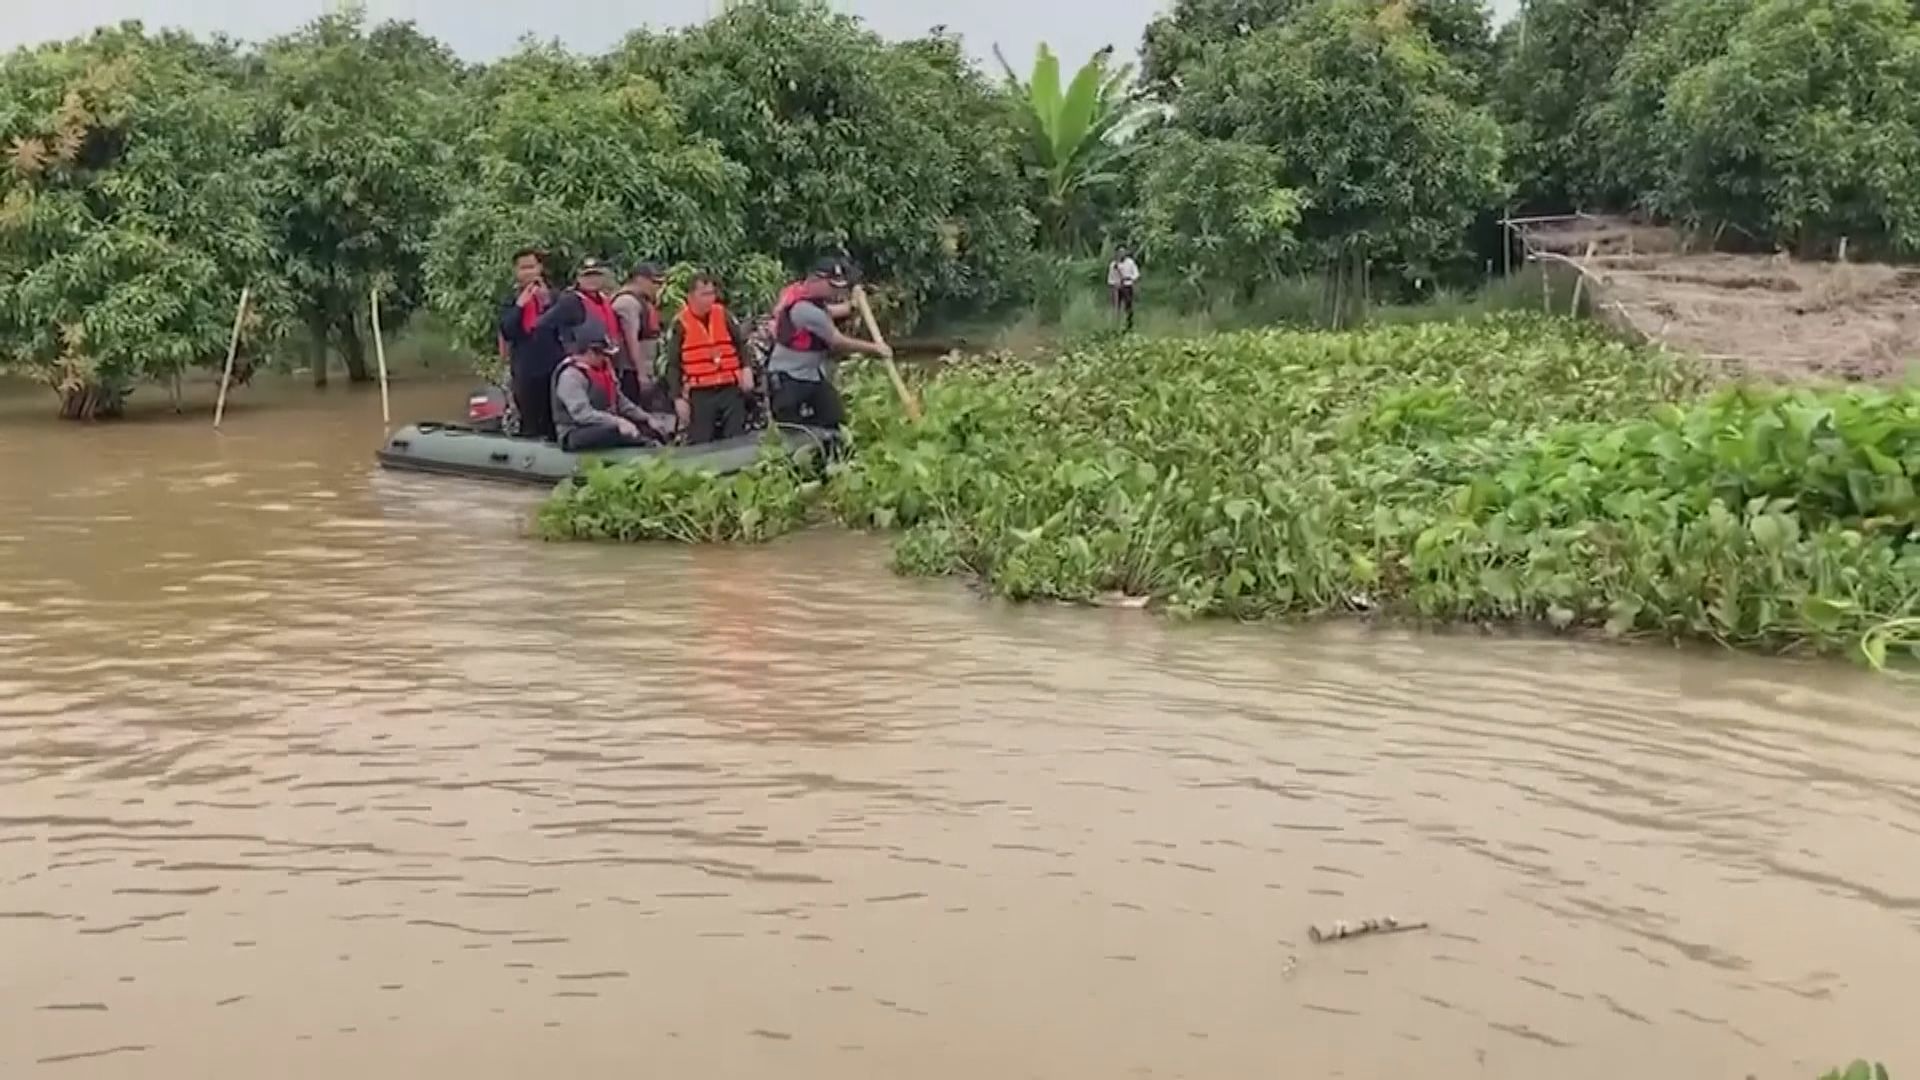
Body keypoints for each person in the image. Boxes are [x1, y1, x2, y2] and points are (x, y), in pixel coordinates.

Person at [767, 257, 891, 430]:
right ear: (815, 280)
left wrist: (853, 305)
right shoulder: (805, 310)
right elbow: (837, 342)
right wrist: (875, 349)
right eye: (832, 286)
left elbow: (830, 312)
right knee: (792, 431)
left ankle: (832, 453)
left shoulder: (801, 294)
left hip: (811, 375)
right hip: (788, 377)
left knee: (834, 420)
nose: (836, 292)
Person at [550, 324, 676, 452]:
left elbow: (621, 402)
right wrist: (617, 422)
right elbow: (582, 415)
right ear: (590, 352)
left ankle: (659, 443)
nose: (606, 358)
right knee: (612, 431)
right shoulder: (571, 376)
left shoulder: (603, 370)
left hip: (604, 422)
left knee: (645, 427)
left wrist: (646, 418)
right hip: (576, 431)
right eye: (603, 354)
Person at [662, 274, 753, 445]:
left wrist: (746, 369)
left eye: (712, 294)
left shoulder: (723, 314)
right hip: (701, 391)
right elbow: (673, 365)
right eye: (704, 294)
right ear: (691, 297)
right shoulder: (680, 323)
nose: (709, 299)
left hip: (729, 387)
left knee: (736, 436)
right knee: (701, 439)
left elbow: (740, 345)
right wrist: (678, 398)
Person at [496, 247, 562, 441]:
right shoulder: (510, 300)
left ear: (540, 268)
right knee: (530, 421)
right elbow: (507, 331)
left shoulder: (556, 297)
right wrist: (520, 305)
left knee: (554, 418)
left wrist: (545, 301)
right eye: (523, 268)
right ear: (516, 272)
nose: (528, 272)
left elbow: (564, 325)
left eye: (531, 267)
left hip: (553, 366)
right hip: (526, 369)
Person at [535, 257, 623, 364]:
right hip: (579, 367)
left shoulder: (604, 299)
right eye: (586, 275)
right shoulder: (571, 301)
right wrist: (567, 354)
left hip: (605, 364)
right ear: (578, 278)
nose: (592, 279)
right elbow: (542, 325)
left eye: (596, 275)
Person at [611, 262, 668, 409]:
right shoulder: (627, 302)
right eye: (654, 282)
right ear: (640, 279)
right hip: (629, 371)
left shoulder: (642, 301)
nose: (658, 287)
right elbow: (631, 339)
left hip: (643, 368)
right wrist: (641, 374)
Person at [1108, 246, 1140, 332]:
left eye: (1123, 252)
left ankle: (1129, 325)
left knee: (1128, 305)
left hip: (1127, 286)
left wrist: (1130, 278)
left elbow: (1136, 274)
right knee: (1116, 306)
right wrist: (1114, 285)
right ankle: (1116, 325)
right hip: (1117, 287)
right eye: (1119, 252)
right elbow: (1111, 278)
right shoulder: (1113, 264)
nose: (1121, 254)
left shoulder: (1130, 262)